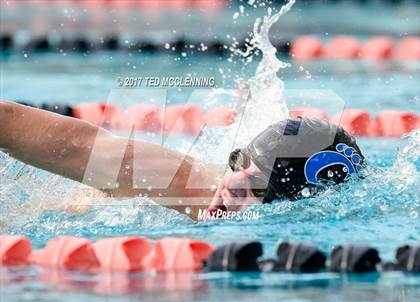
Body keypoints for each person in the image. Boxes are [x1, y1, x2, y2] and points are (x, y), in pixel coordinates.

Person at [0, 100, 365, 220]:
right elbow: (78, 146)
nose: (233, 182)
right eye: (238, 162)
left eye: (259, 186)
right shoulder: (178, 184)